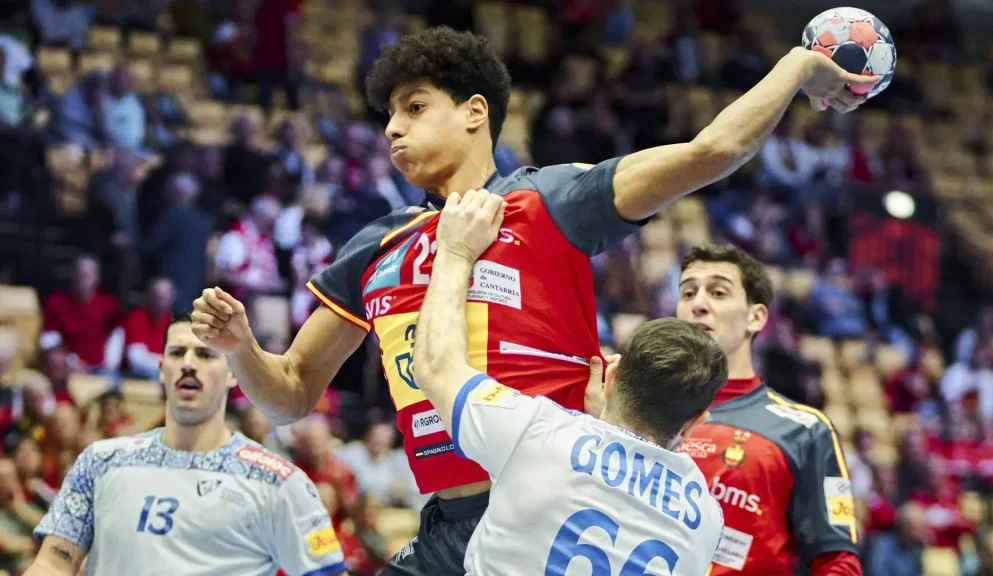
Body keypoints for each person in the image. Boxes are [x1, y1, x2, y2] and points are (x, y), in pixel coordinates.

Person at [190, 26, 877, 575]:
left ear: (475, 111)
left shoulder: (550, 199)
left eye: (414, 107)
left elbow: (711, 150)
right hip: (444, 524)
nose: (392, 128)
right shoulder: (376, 245)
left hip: (546, 516)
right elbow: (290, 396)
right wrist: (243, 349)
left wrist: (797, 66)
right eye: (389, 115)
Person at [413, 190, 727, 575]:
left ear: (611, 376)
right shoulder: (707, 520)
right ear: (695, 422)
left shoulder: (538, 432)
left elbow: (435, 366)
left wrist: (456, 253)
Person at [25, 312, 349, 576]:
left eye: (206, 354)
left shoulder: (277, 481)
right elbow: (52, 563)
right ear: (161, 369)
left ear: (234, 373)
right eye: (177, 353)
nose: (189, 364)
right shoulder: (99, 462)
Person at [672, 244, 862, 575]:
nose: (698, 304)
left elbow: (838, 563)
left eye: (718, 292)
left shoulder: (805, 430)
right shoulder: (640, 411)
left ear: (756, 317)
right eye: (688, 293)